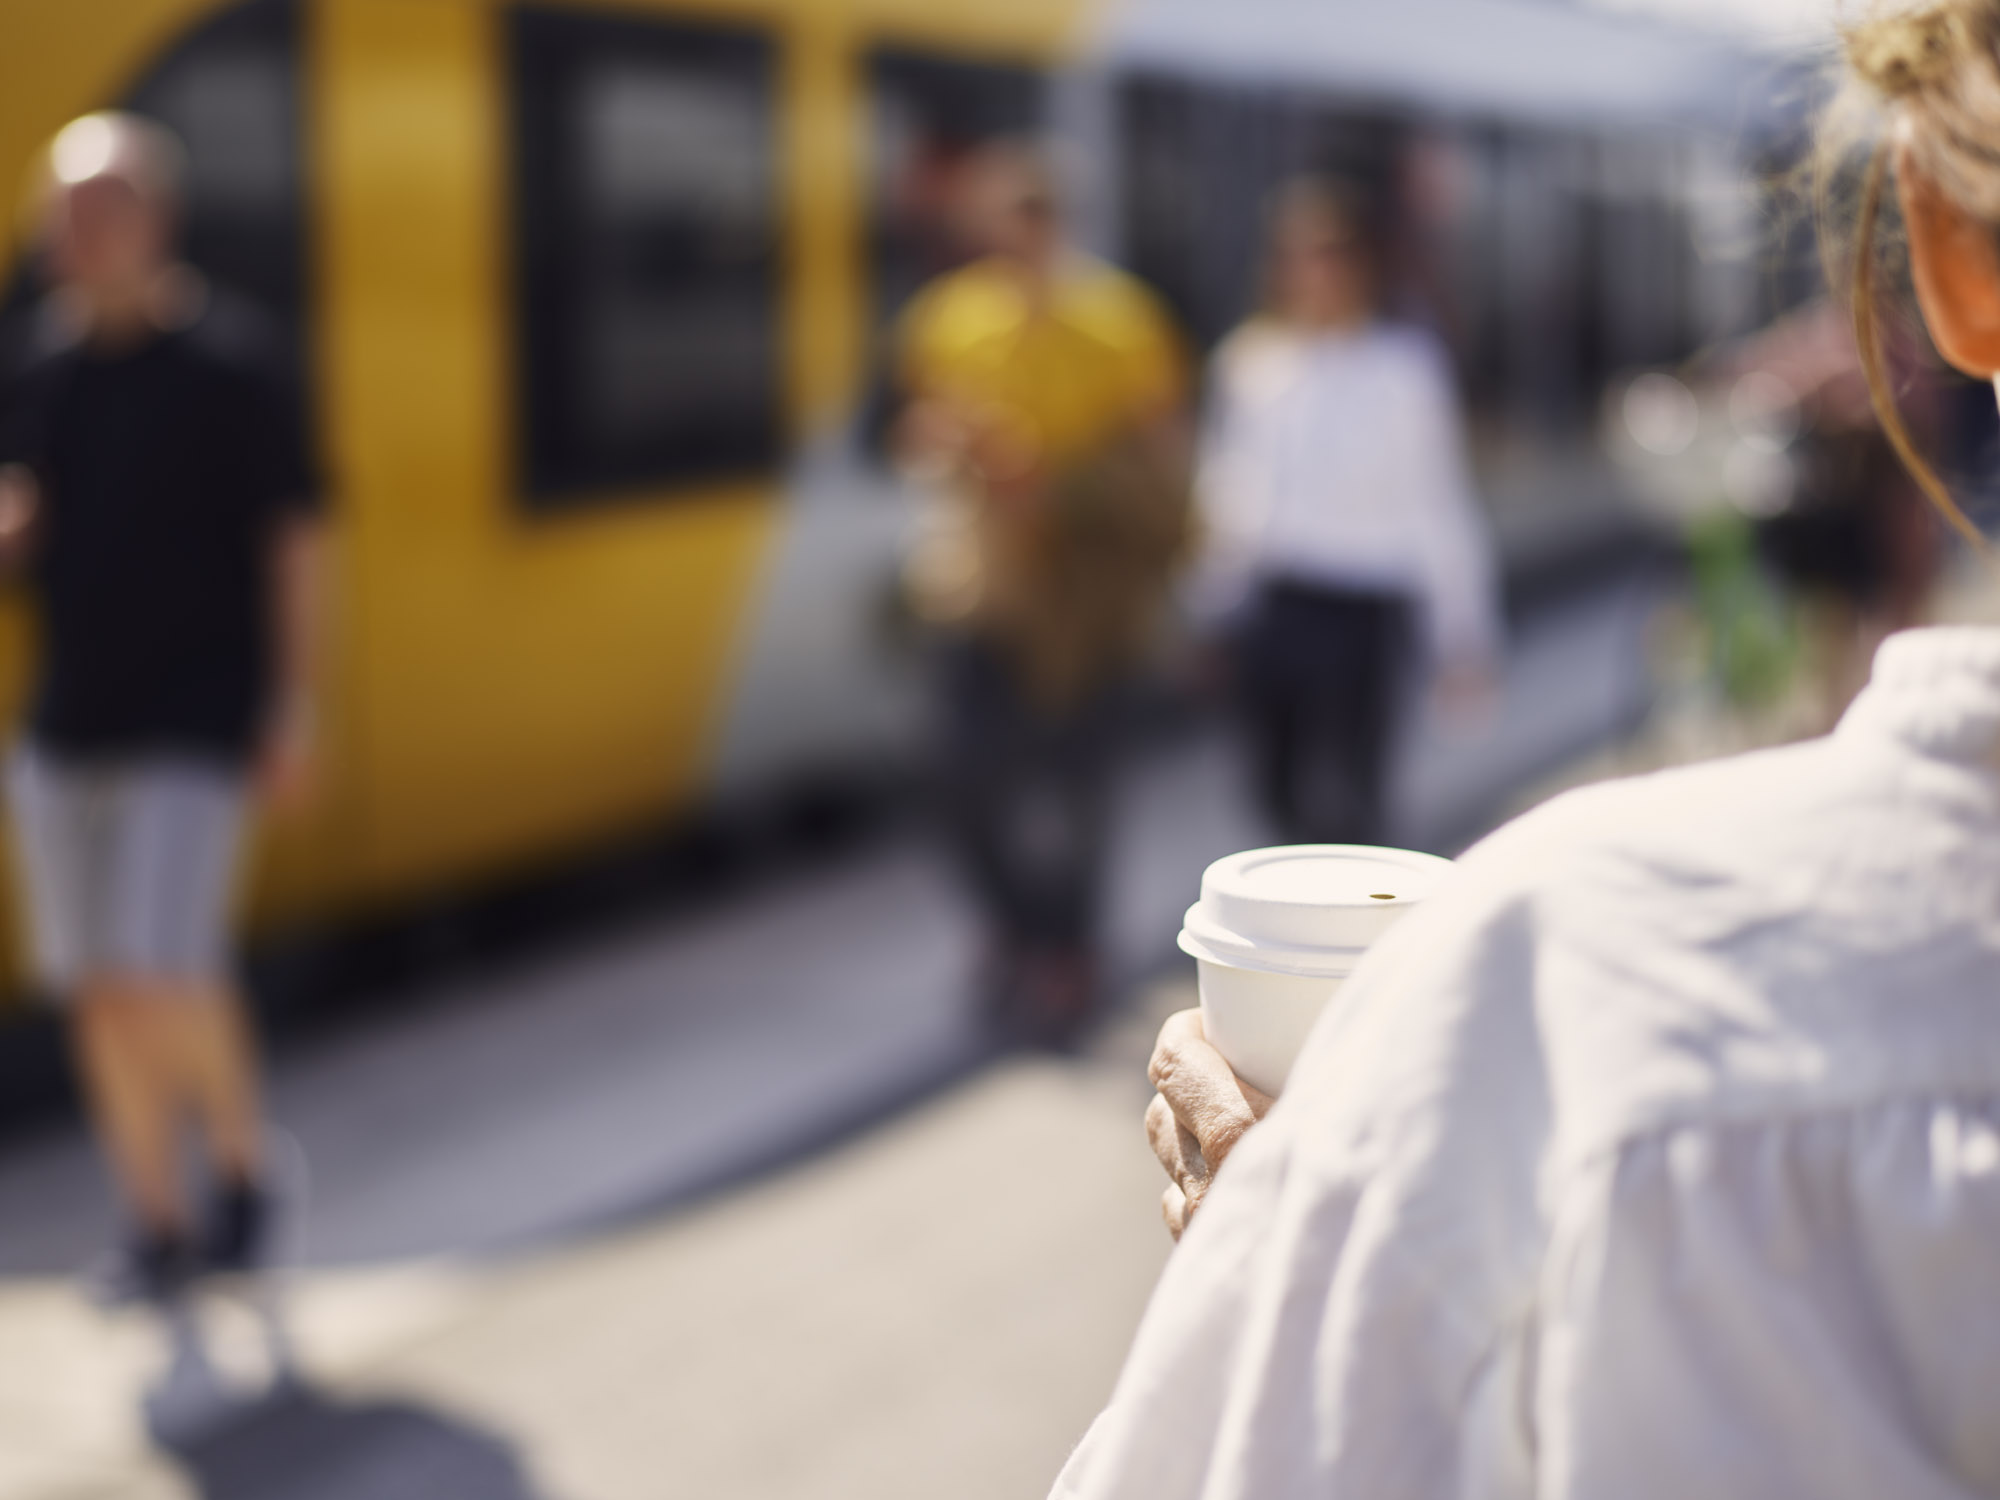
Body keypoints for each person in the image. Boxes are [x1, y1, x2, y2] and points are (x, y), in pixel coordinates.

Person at [1054, 9, 2000, 1495]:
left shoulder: (1583, 976)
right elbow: (1240, 498)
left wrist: (1297, 1265)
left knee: (1338, 813)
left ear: (1946, 251)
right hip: (1288, 614)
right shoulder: (1259, 370)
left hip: (1364, 623)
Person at [0, 113, 323, 1303]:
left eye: (96, 212)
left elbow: (297, 541)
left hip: (199, 715)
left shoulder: (232, 366)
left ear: (155, 221)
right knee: (95, 985)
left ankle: (242, 1171)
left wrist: (291, 710)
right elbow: (32, 514)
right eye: (60, 216)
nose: (73, 237)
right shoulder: (40, 369)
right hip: (67, 719)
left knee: (162, 966)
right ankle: (156, 1218)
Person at [893, 141, 1189, 1042]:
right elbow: (916, 429)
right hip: (989, 583)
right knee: (959, 774)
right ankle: (1016, 927)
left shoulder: (1120, 321)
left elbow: (1163, 458)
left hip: (1086, 589)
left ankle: (1069, 946)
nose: (1011, 243)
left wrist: (1057, 483)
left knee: (1077, 784)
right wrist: (955, 443)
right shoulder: (949, 317)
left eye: (1028, 222)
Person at [1191, 179, 1499, 846]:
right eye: (1302, 256)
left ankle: (1359, 940)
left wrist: (1463, 636)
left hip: (1367, 604)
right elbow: (1230, 490)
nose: (1318, 274)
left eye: (1332, 255)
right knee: (1270, 787)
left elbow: (1437, 501)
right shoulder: (1253, 363)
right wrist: (1210, 604)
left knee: (1356, 798)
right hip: (1278, 598)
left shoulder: (1405, 369)